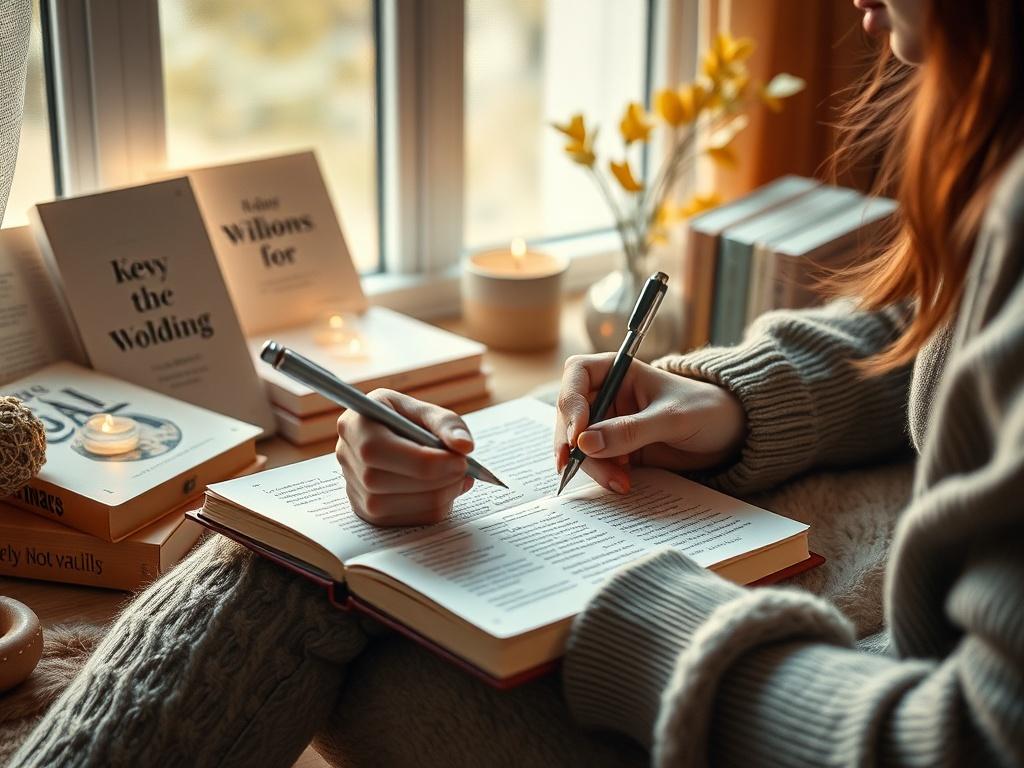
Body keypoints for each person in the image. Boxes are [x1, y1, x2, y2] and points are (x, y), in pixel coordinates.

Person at [11, 0, 1024, 765]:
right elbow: (941, 333)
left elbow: (967, 741)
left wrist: (627, 614)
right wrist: (735, 402)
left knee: (334, 597)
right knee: (338, 568)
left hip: (872, 687)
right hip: (888, 626)